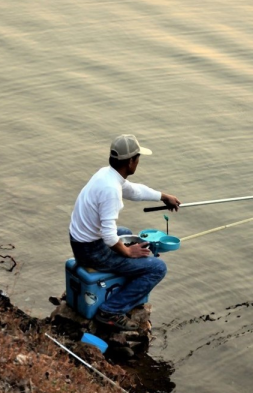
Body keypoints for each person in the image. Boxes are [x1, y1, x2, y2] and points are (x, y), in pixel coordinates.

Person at [69, 134, 180, 330]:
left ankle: (121, 286)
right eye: (137, 158)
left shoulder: (106, 174)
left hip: (81, 242)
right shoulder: (111, 190)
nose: (138, 162)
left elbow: (134, 192)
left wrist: (163, 197)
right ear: (130, 161)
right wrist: (129, 252)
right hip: (90, 251)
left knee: (126, 232)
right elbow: (110, 236)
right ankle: (111, 310)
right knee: (157, 268)